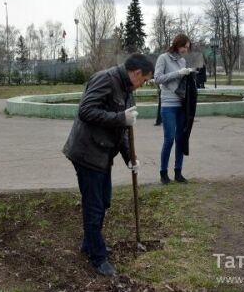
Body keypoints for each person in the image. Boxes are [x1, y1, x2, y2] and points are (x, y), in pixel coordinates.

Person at [62, 53, 154, 276]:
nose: (144, 85)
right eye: (145, 80)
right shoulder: (106, 79)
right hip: (87, 152)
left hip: (103, 153)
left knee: (104, 201)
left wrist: (130, 158)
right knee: (94, 206)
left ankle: (90, 243)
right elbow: (85, 111)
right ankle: (98, 257)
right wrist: (120, 118)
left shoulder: (127, 90)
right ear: (136, 73)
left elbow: (123, 130)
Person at [154, 34, 195, 184]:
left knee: (180, 139)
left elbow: (181, 81)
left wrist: (188, 73)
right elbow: (157, 78)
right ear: (177, 44)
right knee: (169, 139)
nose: (186, 50)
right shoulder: (163, 58)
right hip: (168, 105)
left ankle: (178, 172)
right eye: (184, 46)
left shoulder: (183, 61)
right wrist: (178, 73)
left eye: (188, 47)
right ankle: (163, 173)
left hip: (181, 104)